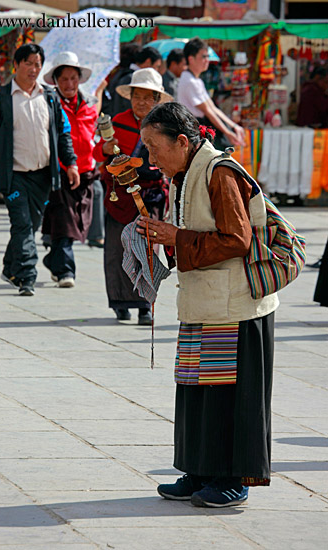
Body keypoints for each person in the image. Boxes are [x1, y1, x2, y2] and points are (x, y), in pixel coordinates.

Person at [137, 102, 279, 508]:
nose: (151, 159)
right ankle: (198, 471)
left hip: (235, 307)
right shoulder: (183, 174)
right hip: (203, 302)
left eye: (154, 147)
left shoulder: (219, 172)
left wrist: (176, 238)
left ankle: (232, 479)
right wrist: (163, 238)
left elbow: (238, 240)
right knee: (196, 390)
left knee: (229, 396)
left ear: (182, 142)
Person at [0, 43, 79, 296]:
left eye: (38, 64)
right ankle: (26, 276)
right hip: (14, 177)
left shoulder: (50, 97)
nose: (34, 69)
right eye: (29, 63)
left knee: (30, 225)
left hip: (43, 175)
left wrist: (71, 164)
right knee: (22, 225)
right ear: (17, 64)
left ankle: (10, 267)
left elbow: (63, 133)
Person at [93, 68, 172, 324]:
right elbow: (97, 153)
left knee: (149, 249)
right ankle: (120, 301)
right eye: (137, 96)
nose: (141, 102)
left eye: (147, 97)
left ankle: (145, 305)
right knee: (118, 248)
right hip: (121, 196)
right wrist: (104, 148)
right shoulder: (117, 121)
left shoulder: (164, 125)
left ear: (157, 99)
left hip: (150, 197)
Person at [41, 51, 106, 288]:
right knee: (65, 220)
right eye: (64, 79)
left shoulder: (90, 104)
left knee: (78, 222)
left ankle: (53, 259)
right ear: (56, 82)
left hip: (87, 170)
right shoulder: (49, 105)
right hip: (60, 171)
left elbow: (94, 135)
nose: (69, 84)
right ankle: (66, 271)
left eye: (73, 78)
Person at [177, 38, 245, 149]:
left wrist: (233, 126)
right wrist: (228, 132)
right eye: (203, 56)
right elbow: (208, 111)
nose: (207, 60)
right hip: (196, 130)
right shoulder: (189, 80)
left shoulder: (196, 80)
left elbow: (212, 108)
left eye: (208, 56)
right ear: (191, 59)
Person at [112, 47, 162, 117]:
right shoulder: (129, 78)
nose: (157, 70)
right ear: (148, 61)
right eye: (156, 66)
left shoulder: (122, 73)